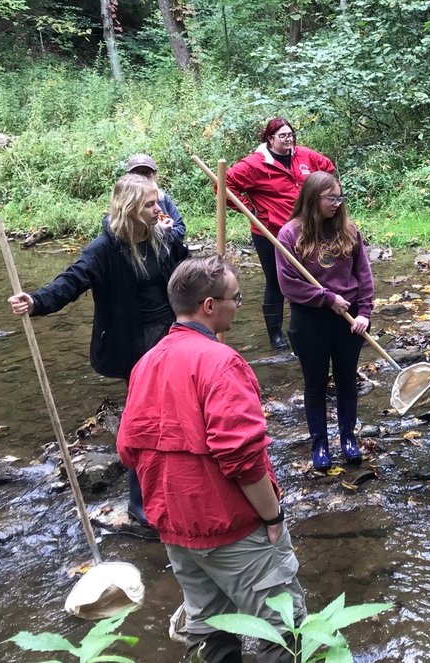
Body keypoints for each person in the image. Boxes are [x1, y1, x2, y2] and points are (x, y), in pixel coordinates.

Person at [117, 255, 305, 663]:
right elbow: (242, 456)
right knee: (284, 628)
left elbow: (127, 450)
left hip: (173, 525)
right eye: (235, 297)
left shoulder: (145, 364)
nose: (239, 304)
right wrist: (273, 518)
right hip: (228, 523)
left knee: (209, 629)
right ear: (209, 306)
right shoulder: (222, 363)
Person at [7, 173, 189, 526]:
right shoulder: (105, 248)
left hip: (171, 337)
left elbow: (184, 270)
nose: (159, 208)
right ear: (131, 209)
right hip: (133, 347)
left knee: (175, 415)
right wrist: (36, 301)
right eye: (150, 204)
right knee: (146, 420)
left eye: (157, 202)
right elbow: (72, 280)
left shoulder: (161, 235)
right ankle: (140, 502)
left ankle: (172, 486)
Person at [275, 172, 373, 470]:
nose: (337, 204)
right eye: (331, 198)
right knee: (315, 383)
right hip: (310, 319)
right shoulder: (289, 235)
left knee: (347, 380)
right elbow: (288, 283)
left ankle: (348, 439)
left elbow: (364, 275)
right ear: (312, 198)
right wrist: (327, 298)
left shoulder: (349, 231)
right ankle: (319, 444)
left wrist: (365, 313)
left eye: (339, 198)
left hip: (349, 319)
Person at [227, 117, 336, 351]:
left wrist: (321, 199)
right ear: (270, 138)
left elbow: (328, 170)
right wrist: (251, 209)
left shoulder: (305, 156)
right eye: (283, 136)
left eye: (291, 135)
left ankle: (311, 326)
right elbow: (224, 185)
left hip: (306, 230)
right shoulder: (254, 164)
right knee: (276, 282)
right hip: (270, 232)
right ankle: (275, 335)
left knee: (311, 276)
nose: (288, 139)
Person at [124, 153, 186, 244]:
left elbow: (180, 229)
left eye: (146, 172)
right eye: (136, 173)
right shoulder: (123, 201)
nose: (142, 177)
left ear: (154, 174)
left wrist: (166, 233)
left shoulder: (163, 198)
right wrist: (158, 230)